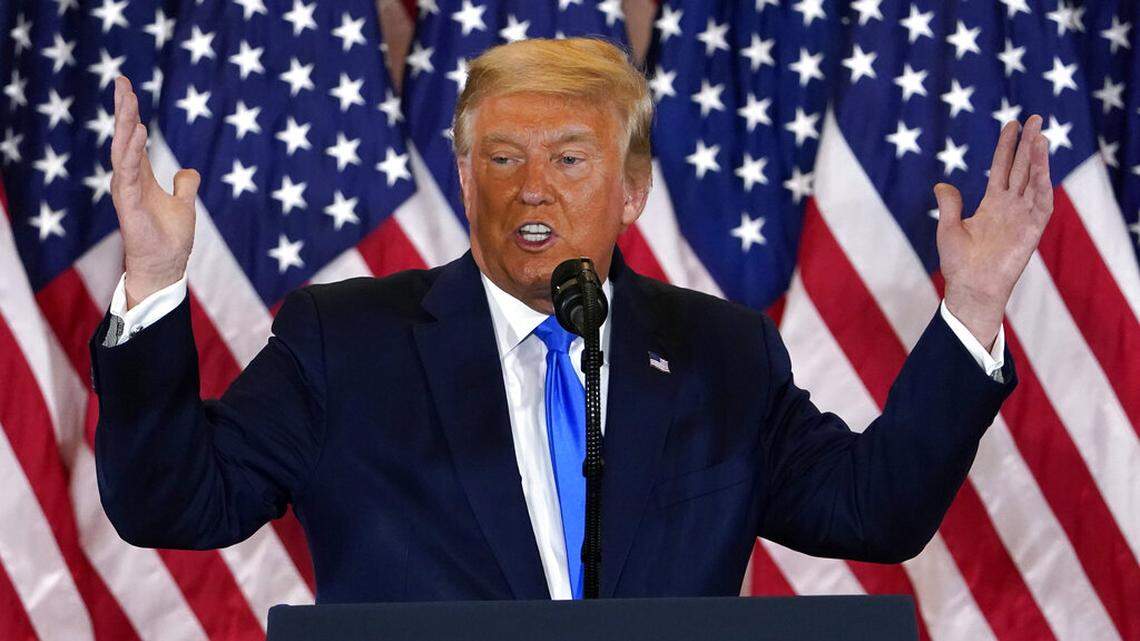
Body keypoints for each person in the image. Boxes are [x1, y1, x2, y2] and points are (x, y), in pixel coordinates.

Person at [92, 38, 1052, 603]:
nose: (529, 189)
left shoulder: (723, 355)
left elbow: (874, 512)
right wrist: (154, 277)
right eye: (500, 159)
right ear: (463, 178)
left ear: (633, 189)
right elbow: (170, 502)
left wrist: (970, 305)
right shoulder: (344, 342)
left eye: (568, 159)